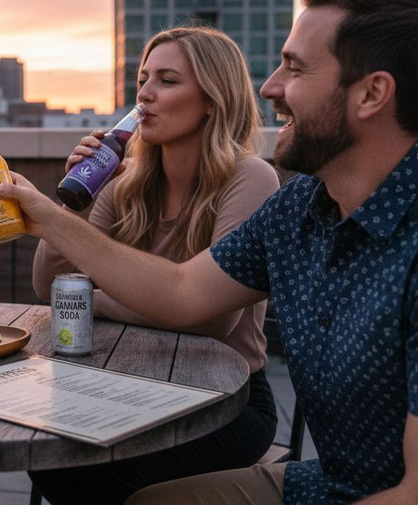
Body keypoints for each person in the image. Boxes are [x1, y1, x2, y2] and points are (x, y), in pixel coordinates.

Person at [0, 0, 418, 504]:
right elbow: (184, 292)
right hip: (328, 481)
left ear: (371, 94)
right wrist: (51, 217)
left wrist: (88, 294)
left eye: (294, 69)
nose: (269, 87)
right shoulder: (299, 208)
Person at [29, 27, 280, 504]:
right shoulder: (124, 182)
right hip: (128, 381)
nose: (144, 93)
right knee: (48, 453)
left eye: (167, 80)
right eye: (143, 79)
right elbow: (50, 285)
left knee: (92, 476)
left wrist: (96, 301)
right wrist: (77, 199)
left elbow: (211, 320)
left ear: (212, 100)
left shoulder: (250, 178)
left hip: (226, 398)